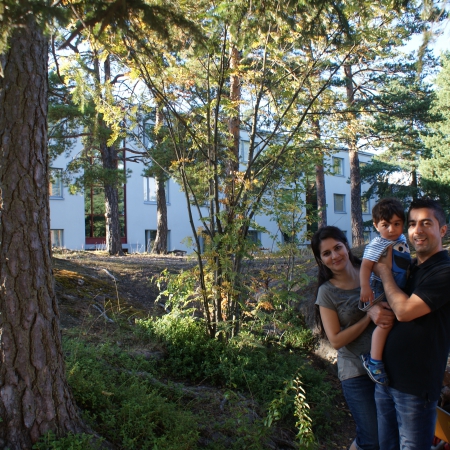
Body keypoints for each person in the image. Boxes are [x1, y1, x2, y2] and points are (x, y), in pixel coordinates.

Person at [374, 197, 450, 450]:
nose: (417, 230)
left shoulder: (444, 271)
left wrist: (384, 272)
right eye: (412, 223)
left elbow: (404, 311)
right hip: (386, 379)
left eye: (426, 223)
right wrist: (373, 309)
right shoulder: (411, 266)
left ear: (442, 230)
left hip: (415, 388)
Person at [312, 226, 395, 450]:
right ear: (321, 259)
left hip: (390, 364)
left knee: (392, 434)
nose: (334, 256)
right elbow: (336, 340)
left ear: (346, 246)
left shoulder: (371, 271)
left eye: (337, 248)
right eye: (326, 253)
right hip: (356, 371)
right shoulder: (327, 292)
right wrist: (369, 316)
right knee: (372, 439)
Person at [359, 198, 411, 386]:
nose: (392, 229)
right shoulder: (378, 244)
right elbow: (365, 266)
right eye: (385, 225)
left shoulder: (401, 239)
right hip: (381, 287)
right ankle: (374, 360)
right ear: (376, 225)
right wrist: (365, 287)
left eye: (397, 224)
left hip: (397, 285)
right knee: (385, 323)